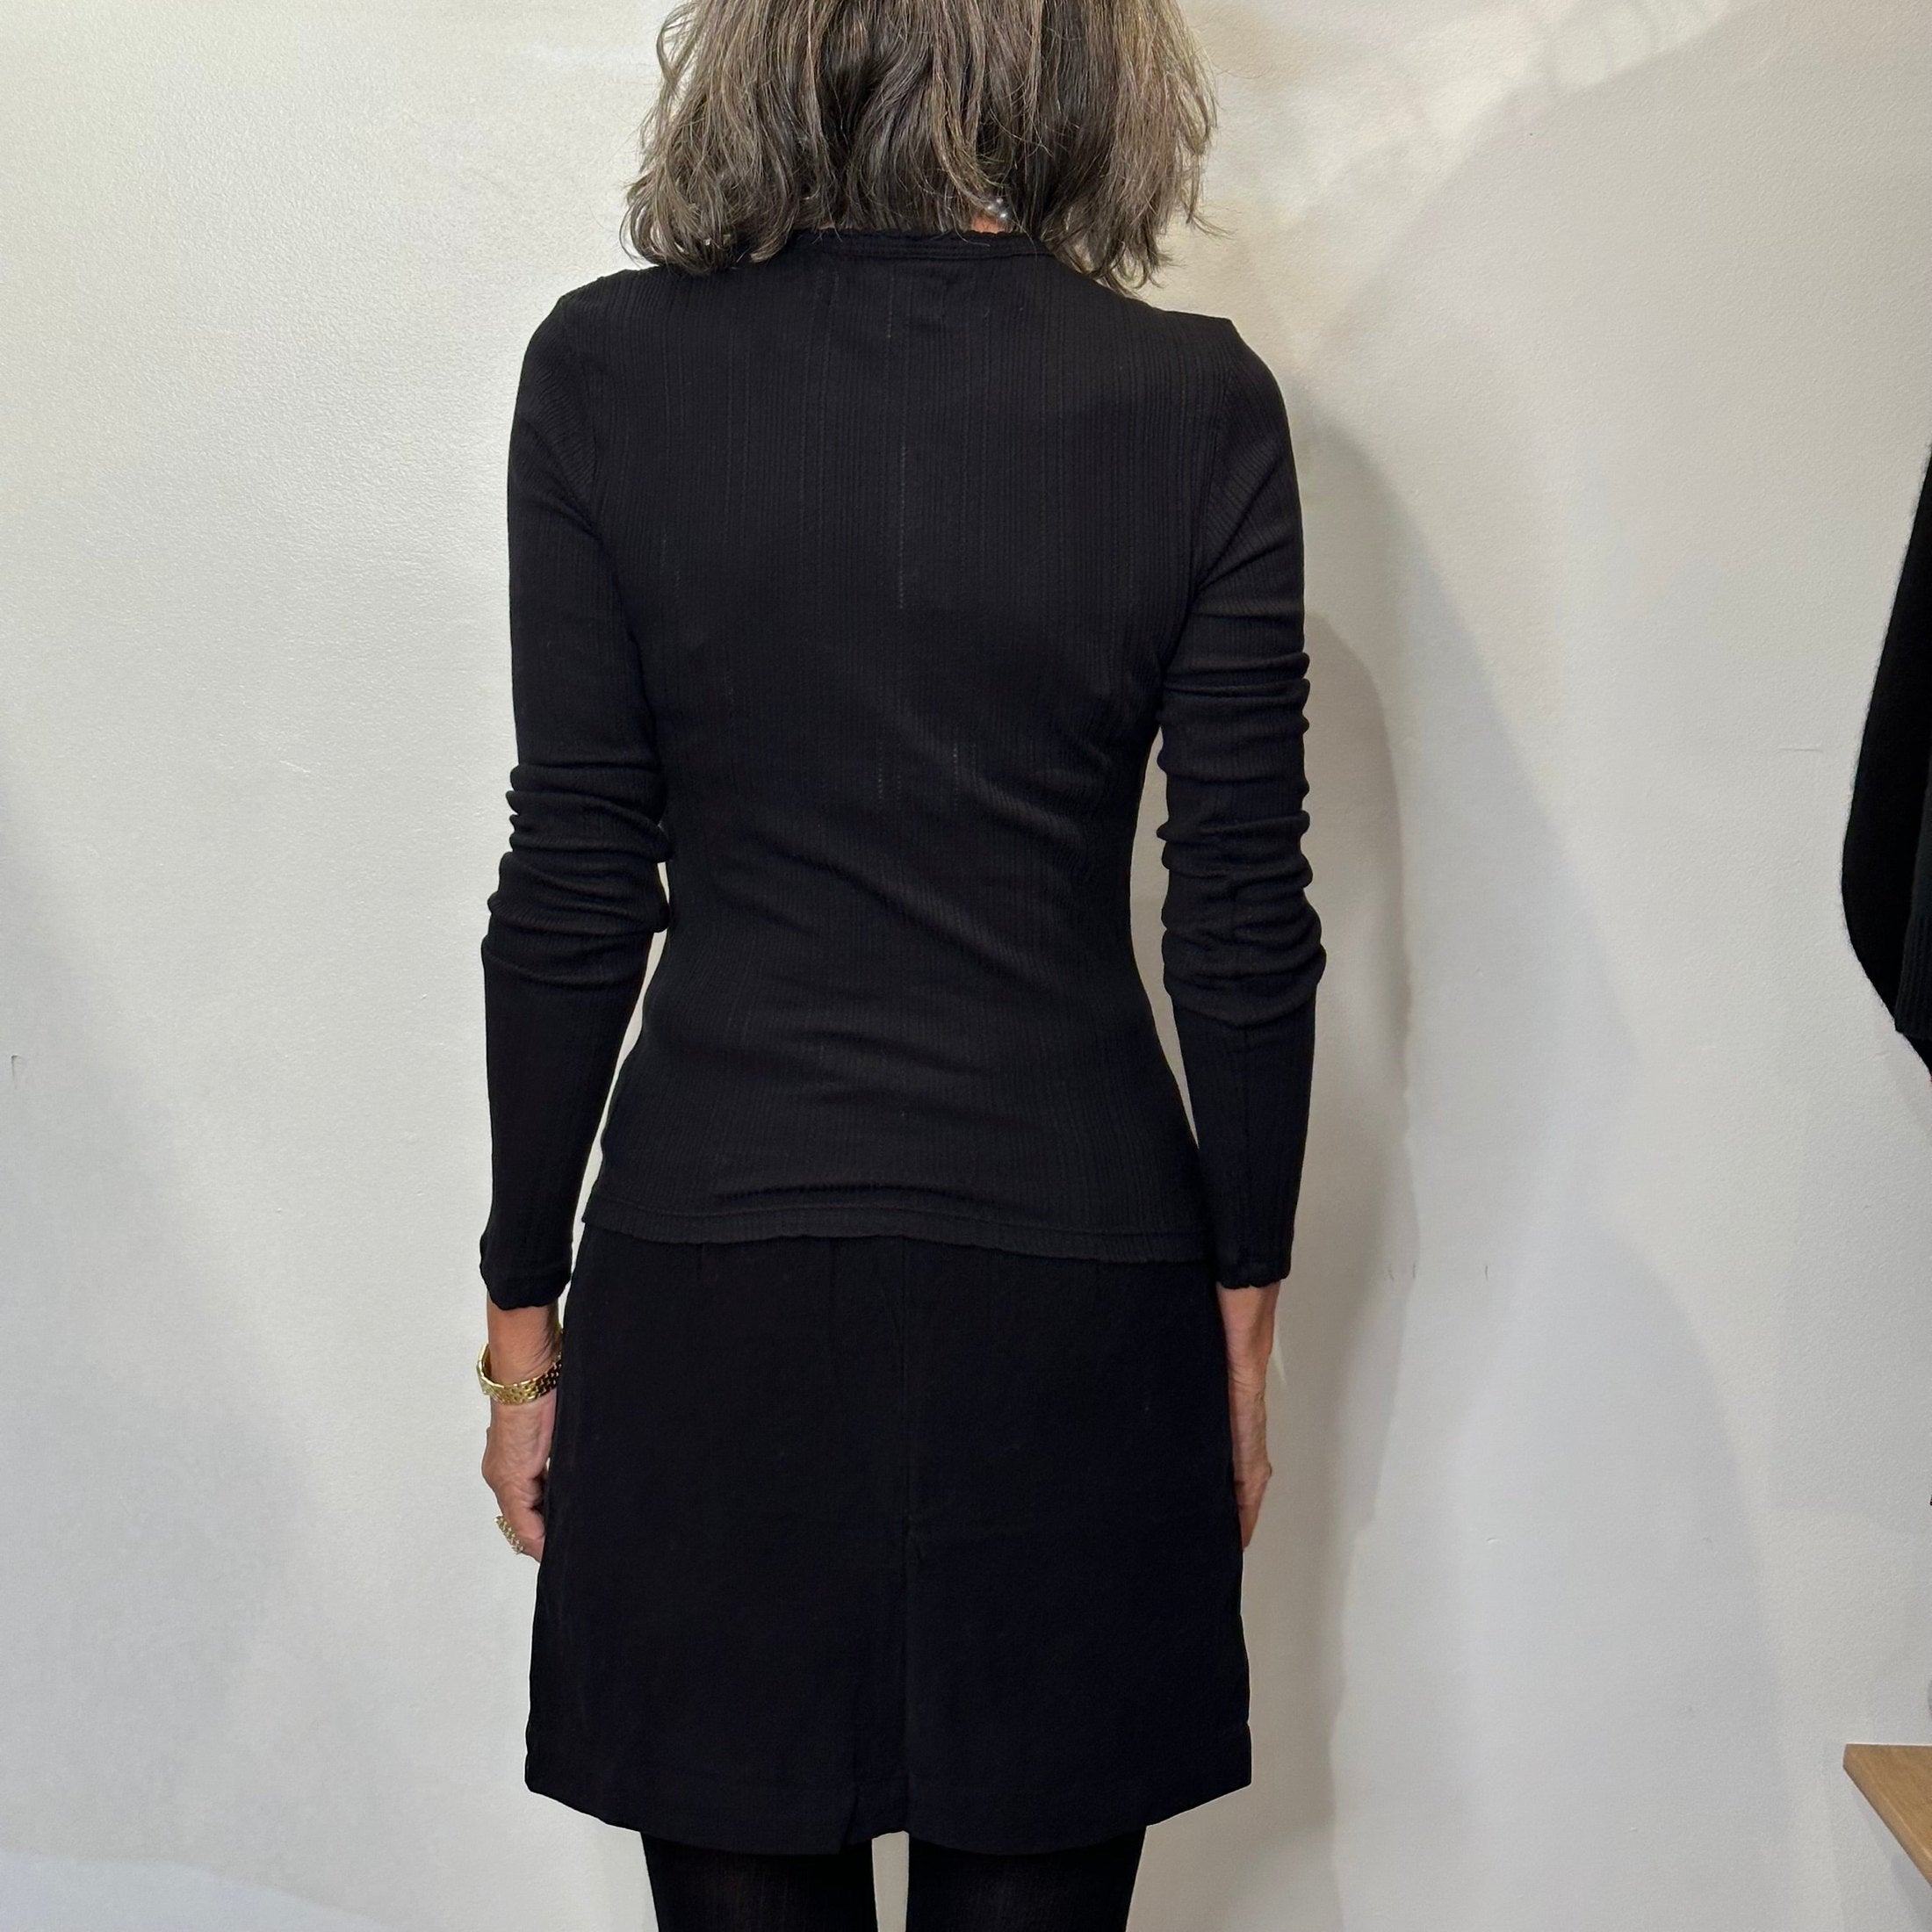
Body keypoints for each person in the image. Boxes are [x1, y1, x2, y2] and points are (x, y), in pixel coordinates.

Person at [473, 0, 1324, 1924]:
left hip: (712, 1283)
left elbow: (578, 880)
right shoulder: (1190, 401)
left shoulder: (605, 372)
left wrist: (523, 1324)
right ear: (1086, 70)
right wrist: (1242, 1324)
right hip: (1075, 1284)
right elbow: (1237, 910)